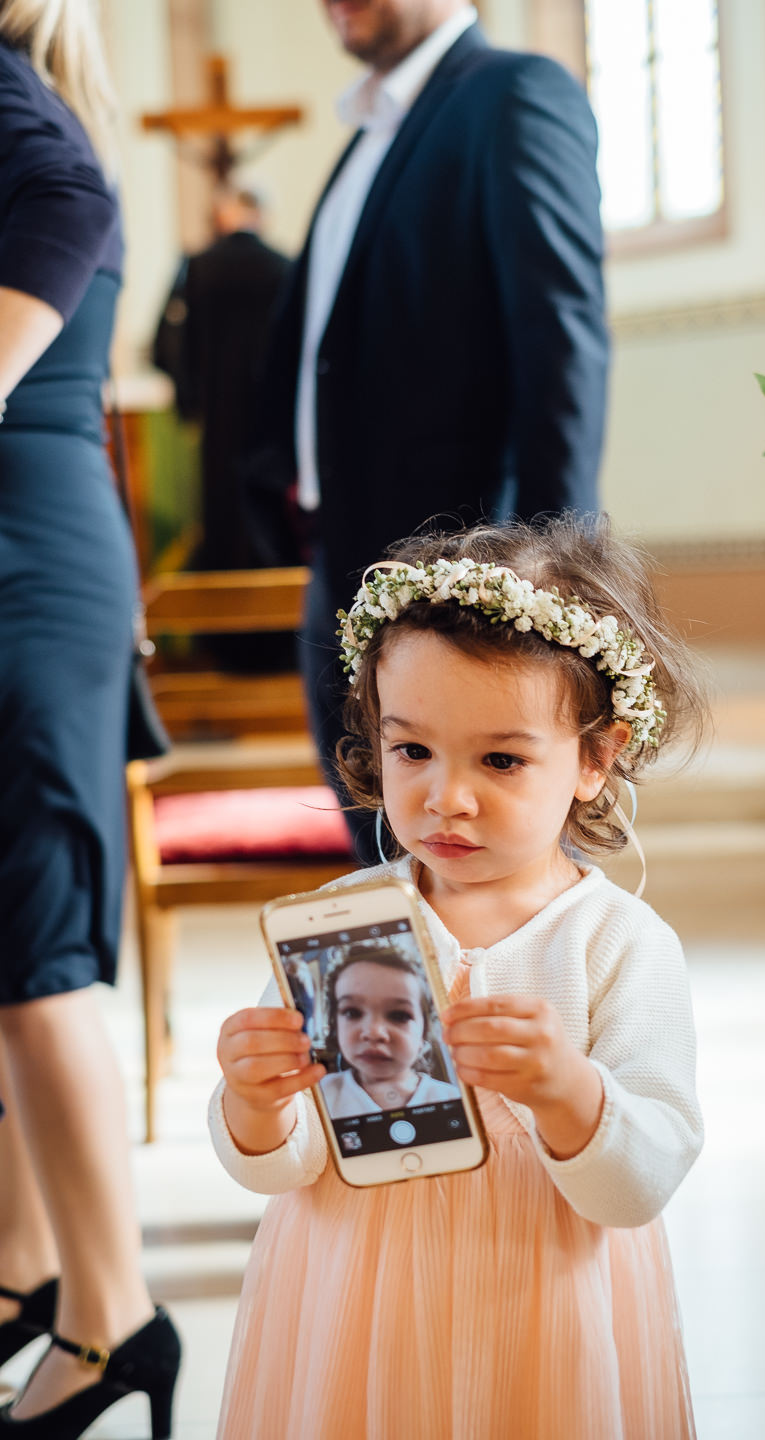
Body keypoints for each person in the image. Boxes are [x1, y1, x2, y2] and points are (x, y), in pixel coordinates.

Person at [211, 514, 706, 1438]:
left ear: (597, 757)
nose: (446, 796)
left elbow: (643, 1180)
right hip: (360, 1302)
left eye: (502, 759)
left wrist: (568, 1094)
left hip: (543, 1307)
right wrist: (253, 1102)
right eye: (413, 751)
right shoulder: (345, 921)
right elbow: (290, 1162)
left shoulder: (616, 944)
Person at [267, 0, 609, 861]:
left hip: (464, 580)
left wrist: (543, 590)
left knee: (481, 875)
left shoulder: (513, 94)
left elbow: (560, 346)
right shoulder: (371, 134)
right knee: (387, 869)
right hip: (344, 563)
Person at [0, 2, 180, 1434]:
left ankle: (114, 1321)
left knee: (38, 939)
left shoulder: (18, 110)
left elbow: (68, 202)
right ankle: (25, 1263)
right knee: (15, 935)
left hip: (23, 559)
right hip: (38, 541)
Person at [152, 184, 296, 579]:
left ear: (222, 215)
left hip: (217, 422)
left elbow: (166, 345)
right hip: (273, 425)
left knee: (221, 513)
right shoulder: (285, 266)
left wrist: (189, 400)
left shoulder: (198, 267)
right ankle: (275, 636)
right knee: (267, 518)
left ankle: (224, 639)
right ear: (260, 216)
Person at [319, 942, 459, 1116]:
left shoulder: (451, 1099)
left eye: (399, 1015)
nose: (374, 1033)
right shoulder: (319, 1097)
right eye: (352, 1012)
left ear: (425, 1029)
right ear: (334, 1023)